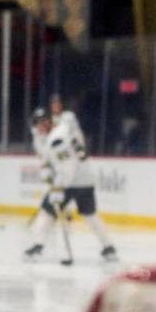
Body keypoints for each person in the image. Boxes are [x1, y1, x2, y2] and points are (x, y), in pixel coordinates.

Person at [24, 108, 118, 264]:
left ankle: (37, 247)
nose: (38, 129)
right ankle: (109, 248)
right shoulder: (63, 128)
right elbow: (53, 160)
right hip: (86, 178)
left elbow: (67, 168)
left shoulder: (56, 139)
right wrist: (47, 171)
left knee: (47, 212)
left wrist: (58, 188)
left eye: (39, 125)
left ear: (47, 122)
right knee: (90, 215)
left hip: (71, 181)